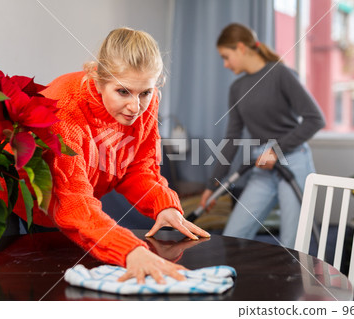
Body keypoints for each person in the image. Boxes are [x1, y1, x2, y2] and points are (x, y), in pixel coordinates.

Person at [21, 27, 210, 284]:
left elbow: (138, 167)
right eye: (123, 92)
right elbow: (72, 200)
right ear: (98, 79)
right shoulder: (63, 109)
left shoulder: (147, 102)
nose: (135, 107)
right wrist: (130, 250)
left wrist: (162, 204)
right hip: (26, 207)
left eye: (145, 92)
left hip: (79, 212)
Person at [200, 23, 325, 249]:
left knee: (292, 245)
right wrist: (213, 186)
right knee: (234, 236)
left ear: (240, 48)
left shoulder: (280, 74)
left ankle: (292, 285)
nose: (225, 64)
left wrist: (276, 151)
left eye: (226, 57)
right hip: (262, 163)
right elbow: (232, 138)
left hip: (293, 160)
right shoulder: (237, 88)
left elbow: (315, 119)